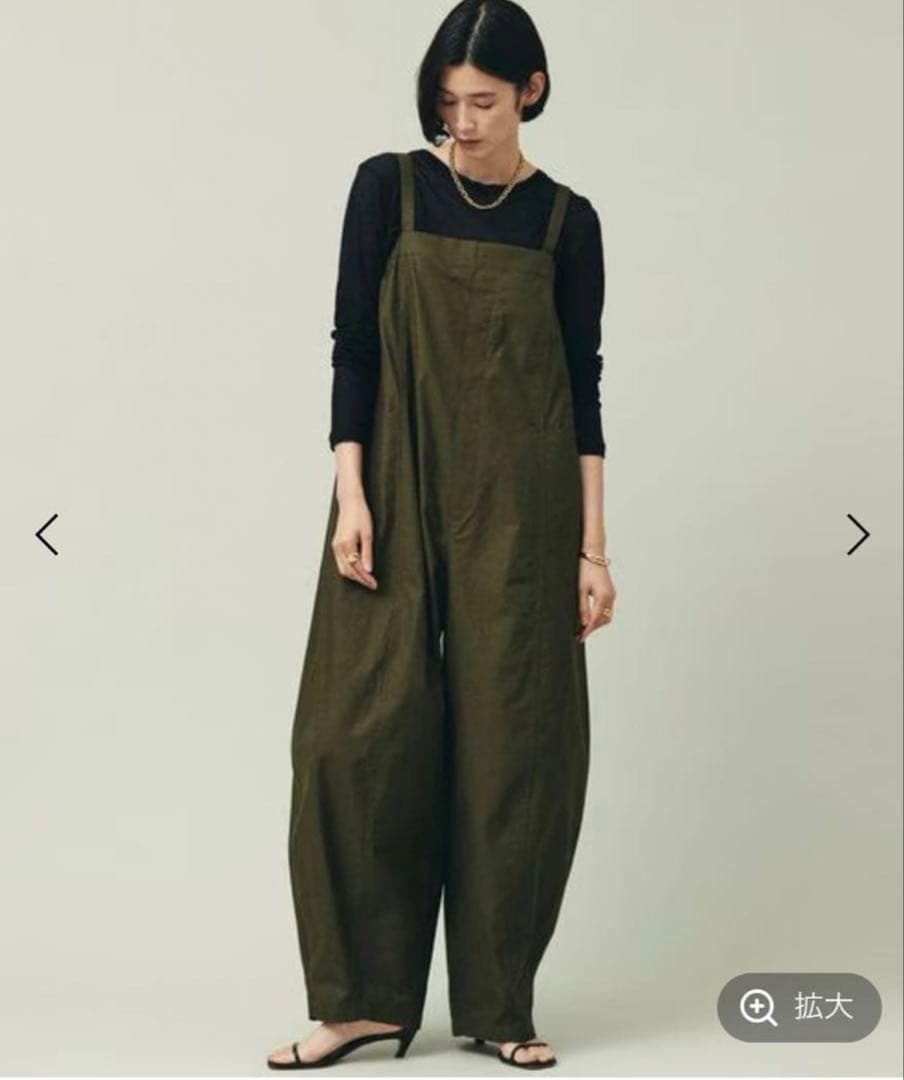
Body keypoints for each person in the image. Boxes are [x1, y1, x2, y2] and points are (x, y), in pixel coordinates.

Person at [267, 0, 616, 1070]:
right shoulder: (389, 188)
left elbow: (585, 392)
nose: (461, 123)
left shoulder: (566, 223)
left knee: (516, 748)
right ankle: (362, 1001)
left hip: (524, 506)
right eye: (447, 101)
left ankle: (499, 1005)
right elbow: (353, 346)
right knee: (350, 738)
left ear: (531, 93)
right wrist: (351, 492)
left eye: (483, 102)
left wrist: (593, 550)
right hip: (394, 482)